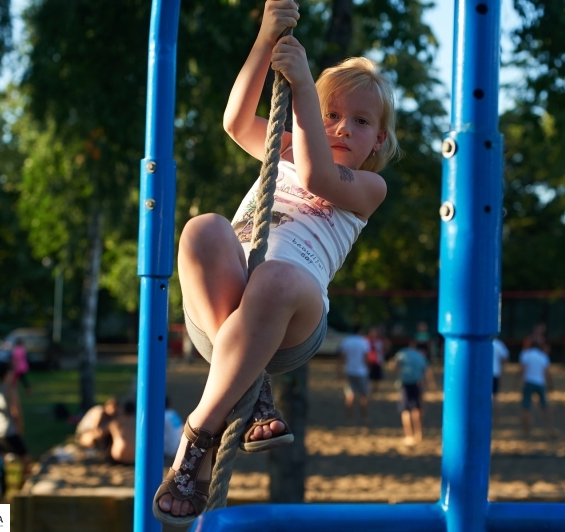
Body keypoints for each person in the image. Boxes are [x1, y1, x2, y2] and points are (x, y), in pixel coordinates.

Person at [152, 0, 398, 524]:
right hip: (223, 313)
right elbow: (235, 120)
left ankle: (197, 435)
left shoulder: (368, 187)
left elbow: (315, 176)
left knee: (276, 278)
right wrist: (266, 40)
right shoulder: (281, 148)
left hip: (293, 316)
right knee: (203, 228)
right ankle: (249, 385)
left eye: (359, 121)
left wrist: (307, 88)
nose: (340, 127)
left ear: (379, 138)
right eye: (331, 115)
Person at [0, 363, 32, 493]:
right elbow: (15, 411)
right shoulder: (10, 389)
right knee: (26, 459)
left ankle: (0, 490)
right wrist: (20, 427)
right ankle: (22, 488)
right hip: (8, 431)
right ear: (7, 374)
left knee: (0, 462)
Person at [390, 340, 435, 445]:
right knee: (417, 409)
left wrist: (397, 376)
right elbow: (427, 370)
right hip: (417, 383)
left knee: (405, 410)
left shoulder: (402, 354)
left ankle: (409, 435)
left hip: (404, 383)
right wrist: (431, 384)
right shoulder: (420, 356)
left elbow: (395, 365)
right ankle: (419, 434)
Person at [518, 339, 556, 438]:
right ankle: (550, 428)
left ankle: (526, 431)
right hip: (540, 383)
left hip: (529, 382)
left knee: (525, 407)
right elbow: (547, 372)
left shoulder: (526, 355)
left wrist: (518, 382)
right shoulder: (543, 356)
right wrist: (551, 384)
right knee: (545, 406)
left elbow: (522, 369)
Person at [339, 327, 371, 423]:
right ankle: (364, 417)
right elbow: (366, 357)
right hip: (361, 371)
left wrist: (340, 370)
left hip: (349, 370)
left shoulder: (347, 341)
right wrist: (368, 368)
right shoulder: (363, 341)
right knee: (364, 396)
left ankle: (350, 418)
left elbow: (342, 356)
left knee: (350, 395)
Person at [107, 400, 136, 465]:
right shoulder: (139, 423)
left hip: (119, 455)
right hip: (136, 456)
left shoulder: (116, 422)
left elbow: (101, 433)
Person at [492, 337, 509, 421]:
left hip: (484, 374)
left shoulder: (482, 342)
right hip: (495, 373)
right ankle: (496, 417)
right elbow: (505, 357)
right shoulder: (499, 344)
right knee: (495, 396)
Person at [366, 326, 387, 395]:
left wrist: (384, 352)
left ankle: (375, 390)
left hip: (378, 360)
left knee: (377, 376)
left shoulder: (381, 339)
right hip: (370, 360)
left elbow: (387, 344)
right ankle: (370, 389)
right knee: (370, 376)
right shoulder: (368, 339)